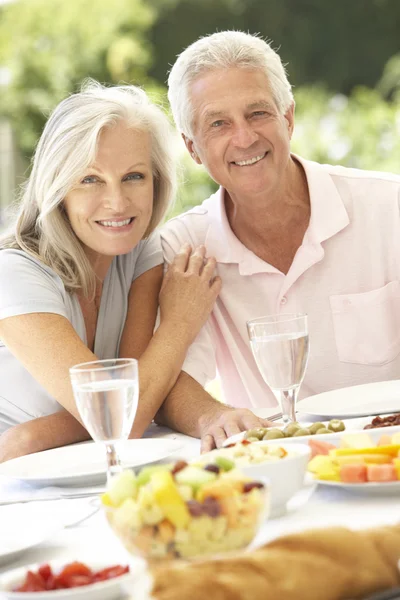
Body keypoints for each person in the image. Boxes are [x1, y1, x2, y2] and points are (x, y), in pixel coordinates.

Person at [156, 30, 400, 451]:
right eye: (219, 124)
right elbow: (172, 379)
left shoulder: (389, 206)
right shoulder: (184, 247)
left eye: (257, 113)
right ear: (192, 148)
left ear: (288, 117)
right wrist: (211, 415)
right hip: (273, 468)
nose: (245, 137)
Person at [0, 80, 221, 462]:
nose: (117, 203)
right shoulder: (13, 275)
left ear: (157, 181)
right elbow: (125, 414)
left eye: (134, 176)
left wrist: (35, 436)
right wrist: (180, 322)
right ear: (57, 189)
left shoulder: (138, 251)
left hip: (89, 470)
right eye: (90, 180)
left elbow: (137, 398)